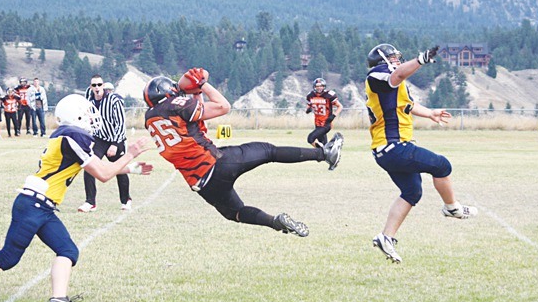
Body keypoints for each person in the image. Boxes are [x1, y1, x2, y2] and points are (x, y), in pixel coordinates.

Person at [0, 94, 153, 302]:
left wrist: (130, 168)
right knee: (7, 259)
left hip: (42, 206)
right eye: (87, 114)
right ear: (76, 115)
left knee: (67, 251)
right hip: (33, 205)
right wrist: (131, 152)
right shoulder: (73, 136)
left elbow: (95, 167)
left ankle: (59, 300)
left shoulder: (67, 135)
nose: (92, 118)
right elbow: (104, 174)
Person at [143, 69, 344, 237]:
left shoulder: (151, 118)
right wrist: (202, 83)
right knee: (268, 151)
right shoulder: (175, 105)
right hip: (218, 163)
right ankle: (325, 154)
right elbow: (223, 106)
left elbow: (194, 125)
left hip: (201, 184)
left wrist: (196, 94)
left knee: (236, 213)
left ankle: (275, 222)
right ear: (167, 91)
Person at [365, 43, 478, 264]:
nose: (398, 60)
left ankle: (386, 237)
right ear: (383, 60)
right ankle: (452, 208)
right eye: (393, 58)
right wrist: (420, 60)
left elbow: (407, 105)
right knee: (442, 166)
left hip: (386, 150)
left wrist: (430, 113)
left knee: (412, 191)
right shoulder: (376, 74)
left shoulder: (392, 85)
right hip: (394, 146)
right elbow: (396, 75)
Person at [78, 75, 130, 213]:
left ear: (103, 86)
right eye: (94, 85)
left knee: (118, 168)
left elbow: (120, 123)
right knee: (89, 166)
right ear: (91, 87)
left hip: (115, 138)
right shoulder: (89, 101)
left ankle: (126, 200)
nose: (97, 88)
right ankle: (90, 202)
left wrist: (114, 144)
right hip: (100, 139)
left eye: (99, 85)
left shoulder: (114, 101)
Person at [305, 77, 343, 153]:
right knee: (323, 143)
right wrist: (308, 110)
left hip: (326, 124)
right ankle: (329, 153)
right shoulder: (311, 95)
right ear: (314, 87)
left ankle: (324, 153)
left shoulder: (328, 95)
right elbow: (308, 108)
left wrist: (333, 116)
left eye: (321, 86)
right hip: (317, 123)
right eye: (317, 86)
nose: (319, 88)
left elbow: (340, 106)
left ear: (324, 86)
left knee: (310, 138)